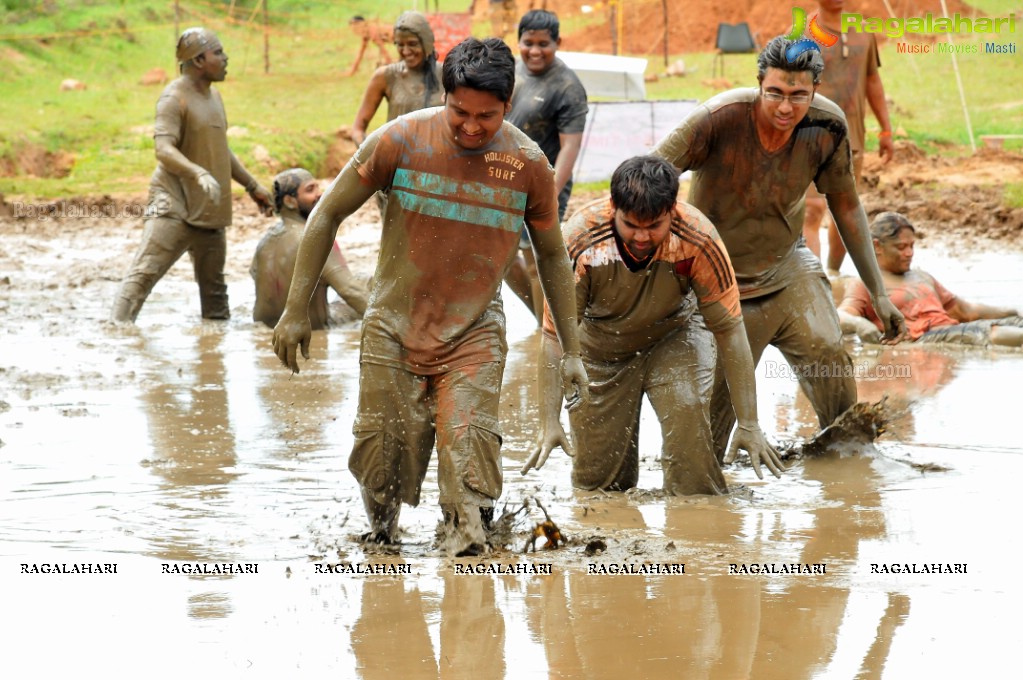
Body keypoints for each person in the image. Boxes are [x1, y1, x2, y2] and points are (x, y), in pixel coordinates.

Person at [270, 37, 589, 556]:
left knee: (469, 463)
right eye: (459, 111)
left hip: (474, 334)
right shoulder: (398, 140)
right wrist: (295, 310)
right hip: (392, 326)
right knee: (381, 462)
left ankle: (468, 563)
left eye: (486, 116)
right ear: (445, 97)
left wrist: (571, 350)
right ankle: (382, 555)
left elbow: (552, 256)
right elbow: (326, 213)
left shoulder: (528, 164)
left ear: (507, 105)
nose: (470, 126)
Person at [651, 35, 906, 459]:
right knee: (707, 428)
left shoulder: (827, 126)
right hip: (717, 277)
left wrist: (878, 292)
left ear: (814, 91)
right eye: (775, 94)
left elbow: (845, 204)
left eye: (798, 95)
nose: (786, 108)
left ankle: (849, 466)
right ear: (758, 84)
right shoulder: (717, 118)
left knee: (828, 352)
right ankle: (707, 479)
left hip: (787, 268)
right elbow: (646, 178)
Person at [520, 156, 784, 494]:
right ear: (613, 206)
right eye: (631, 225)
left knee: (689, 437)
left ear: (672, 209)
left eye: (654, 226)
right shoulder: (580, 240)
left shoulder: (699, 238)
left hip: (675, 337)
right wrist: (549, 421)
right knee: (598, 487)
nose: (642, 237)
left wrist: (749, 423)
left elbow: (731, 331)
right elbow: (554, 335)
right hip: (600, 350)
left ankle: (697, 526)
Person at [110, 27, 273, 323]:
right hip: (173, 204)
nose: (226, 58)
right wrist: (197, 172)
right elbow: (163, 149)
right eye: (219, 52)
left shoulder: (214, 97)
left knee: (216, 301)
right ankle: (116, 337)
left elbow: (222, 149)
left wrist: (252, 186)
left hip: (209, 209)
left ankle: (213, 363)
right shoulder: (173, 98)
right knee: (142, 276)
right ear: (199, 60)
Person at [504, 9, 588, 322]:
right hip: (506, 178)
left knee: (537, 259)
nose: (535, 51)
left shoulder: (567, 87)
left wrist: (549, 193)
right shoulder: (513, 70)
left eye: (544, 44)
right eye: (528, 43)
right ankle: (544, 323)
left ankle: (549, 337)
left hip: (544, 183)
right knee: (501, 256)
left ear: (558, 43)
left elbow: (570, 147)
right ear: (519, 41)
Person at [802, 0, 894, 273]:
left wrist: (886, 130)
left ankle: (833, 274)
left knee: (845, 213)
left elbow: (872, 81)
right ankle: (814, 281)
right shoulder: (802, 33)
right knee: (811, 210)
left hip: (851, 137)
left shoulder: (863, 31)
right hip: (808, 136)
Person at [838, 212, 1023, 346]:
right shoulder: (866, 282)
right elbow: (840, 316)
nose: (909, 253)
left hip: (952, 330)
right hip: (925, 337)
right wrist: (859, 324)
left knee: (1017, 324)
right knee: (995, 335)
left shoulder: (921, 276)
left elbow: (966, 311)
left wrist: (1010, 311)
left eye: (912, 246)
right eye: (901, 247)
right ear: (877, 246)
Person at [250, 168, 368, 330]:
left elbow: (255, 276)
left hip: (269, 330)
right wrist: (390, 328)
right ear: (289, 202)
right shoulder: (315, 238)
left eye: (318, 188)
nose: (320, 194)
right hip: (311, 329)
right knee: (367, 281)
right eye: (310, 190)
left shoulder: (264, 242)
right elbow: (350, 291)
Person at [351, 11, 444, 147]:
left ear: (427, 42)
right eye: (400, 44)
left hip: (439, 162)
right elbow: (357, 129)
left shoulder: (446, 75)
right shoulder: (386, 76)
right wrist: (371, 156)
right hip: (397, 164)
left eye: (412, 44)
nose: (405, 51)